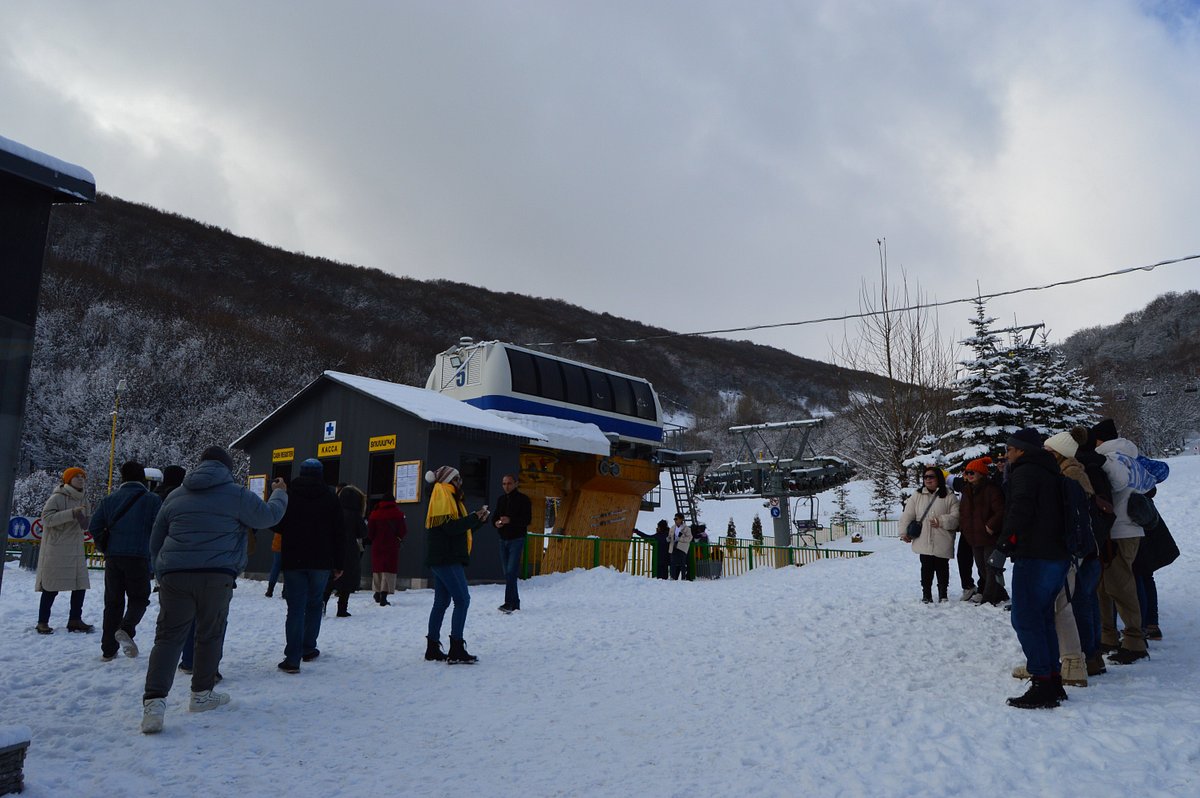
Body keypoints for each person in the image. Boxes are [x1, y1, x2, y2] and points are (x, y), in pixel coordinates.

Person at [140, 446, 287, 734]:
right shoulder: (237, 494)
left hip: (174, 574)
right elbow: (268, 517)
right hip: (216, 575)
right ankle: (202, 694)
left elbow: (156, 538)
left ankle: (154, 705)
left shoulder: (176, 495)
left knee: (168, 638)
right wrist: (280, 492)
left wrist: (161, 570)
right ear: (227, 468)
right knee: (210, 633)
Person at [998, 428, 1070, 709]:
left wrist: (1002, 545)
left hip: (1035, 555)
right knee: (1042, 618)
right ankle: (1053, 681)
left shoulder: (1026, 472)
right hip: (1057, 555)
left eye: (1009, 449)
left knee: (1025, 618)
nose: (1007, 455)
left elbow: (1020, 510)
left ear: (1021, 450)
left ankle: (1042, 683)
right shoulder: (1051, 470)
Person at [275, 458, 344, 673]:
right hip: (321, 561)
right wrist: (339, 563)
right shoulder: (331, 497)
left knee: (295, 608)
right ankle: (308, 647)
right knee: (314, 604)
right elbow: (339, 532)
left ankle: (292, 658)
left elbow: (276, 522)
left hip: (294, 559)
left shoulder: (289, 495)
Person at [88, 461, 161, 661]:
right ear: (143, 479)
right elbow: (160, 528)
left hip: (114, 558)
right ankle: (126, 629)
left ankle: (108, 650)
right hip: (138, 557)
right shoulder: (153, 500)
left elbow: (94, 526)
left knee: (112, 602)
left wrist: (106, 548)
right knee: (139, 598)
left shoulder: (109, 500)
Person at [1091, 419, 1149, 665]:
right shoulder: (1131, 457)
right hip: (1129, 527)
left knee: (1120, 585)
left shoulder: (1111, 458)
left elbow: (1117, 483)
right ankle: (1110, 636)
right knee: (1105, 585)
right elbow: (1149, 484)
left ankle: (1134, 641)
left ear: (1099, 441)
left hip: (1119, 529)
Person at [424, 466, 489, 664]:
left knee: (442, 602)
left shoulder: (447, 498)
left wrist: (477, 521)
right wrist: (473, 518)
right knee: (462, 600)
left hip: (442, 557)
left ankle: (432, 647)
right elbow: (451, 528)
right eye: (457, 479)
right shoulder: (444, 495)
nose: (461, 482)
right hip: (447, 559)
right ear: (449, 481)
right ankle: (456, 647)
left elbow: (457, 531)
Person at [35, 467, 95, 634]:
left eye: (82, 476)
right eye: (76, 477)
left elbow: (85, 523)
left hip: (76, 548)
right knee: (51, 586)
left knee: (79, 585)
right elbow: (46, 519)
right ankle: (42, 621)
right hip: (57, 549)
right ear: (68, 480)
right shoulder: (57, 497)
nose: (81, 479)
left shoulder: (84, 498)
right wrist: (71, 513)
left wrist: (85, 520)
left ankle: (75, 619)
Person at [899, 467, 960, 603]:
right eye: (925, 477)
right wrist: (904, 532)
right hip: (923, 538)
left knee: (942, 567)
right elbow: (908, 514)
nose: (928, 479)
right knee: (926, 568)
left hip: (942, 538)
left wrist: (941, 521)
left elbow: (956, 517)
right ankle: (926, 594)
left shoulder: (949, 495)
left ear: (938, 478)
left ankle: (943, 594)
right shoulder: (917, 495)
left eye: (931, 476)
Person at [956, 457, 1006, 606]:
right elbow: (964, 512)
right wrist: (964, 527)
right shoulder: (966, 490)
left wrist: (990, 526)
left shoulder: (991, 489)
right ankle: (1001, 594)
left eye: (972, 472)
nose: (969, 475)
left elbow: (1000, 511)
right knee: (982, 568)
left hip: (989, 536)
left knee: (990, 567)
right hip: (973, 536)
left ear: (981, 473)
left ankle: (989, 598)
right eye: (967, 472)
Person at [324, 484, 366, 617]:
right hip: (350, 550)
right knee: (346, 580)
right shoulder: (355, 515)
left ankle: (322, 603)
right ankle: (342, 608)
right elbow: (363, 533)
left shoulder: (334, 511)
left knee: (330, 579)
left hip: (333, 547)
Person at [492, 473, 532, 613]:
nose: (506, 486)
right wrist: (496, 523)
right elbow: (494, 517)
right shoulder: (501, 500)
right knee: (508, 573)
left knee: (510, 572)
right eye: (504, 483)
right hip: (503, 539)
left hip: (516, 539)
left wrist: (511, 520)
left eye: (509, 483)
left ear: (516, 483)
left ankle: (508, 603)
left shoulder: (524, 500)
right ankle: (515, 603)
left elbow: (527, 520)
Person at [367, 493, 407, 606]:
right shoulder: (398, 514)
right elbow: (403, 531)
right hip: (391, 546)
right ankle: (384, 595)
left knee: (378, 569)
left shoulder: (374, 514)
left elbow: (370, 533)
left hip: (377, 545)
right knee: (388, 570)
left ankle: (377, 592)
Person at [666, 513, 693, 580]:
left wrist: (680, 539)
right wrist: (668, 538)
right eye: (674, 519)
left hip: (682, 548)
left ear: (681, 519)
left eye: (676, 519)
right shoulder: (672, 527)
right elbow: (670, 536)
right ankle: (672, 577)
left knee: (682, 563)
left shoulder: (687, 529)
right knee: (672, 563)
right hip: (673, 547)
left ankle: (683, 578)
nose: (675, 520)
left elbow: (689, 538)